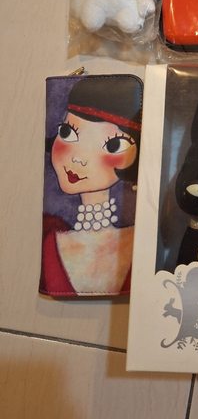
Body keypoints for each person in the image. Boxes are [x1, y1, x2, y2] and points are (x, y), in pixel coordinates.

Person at [39, 75, 142, 297]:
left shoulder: (143, 236)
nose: (79, 159)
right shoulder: (51, 233)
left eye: (113, 145)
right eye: (67, 132)